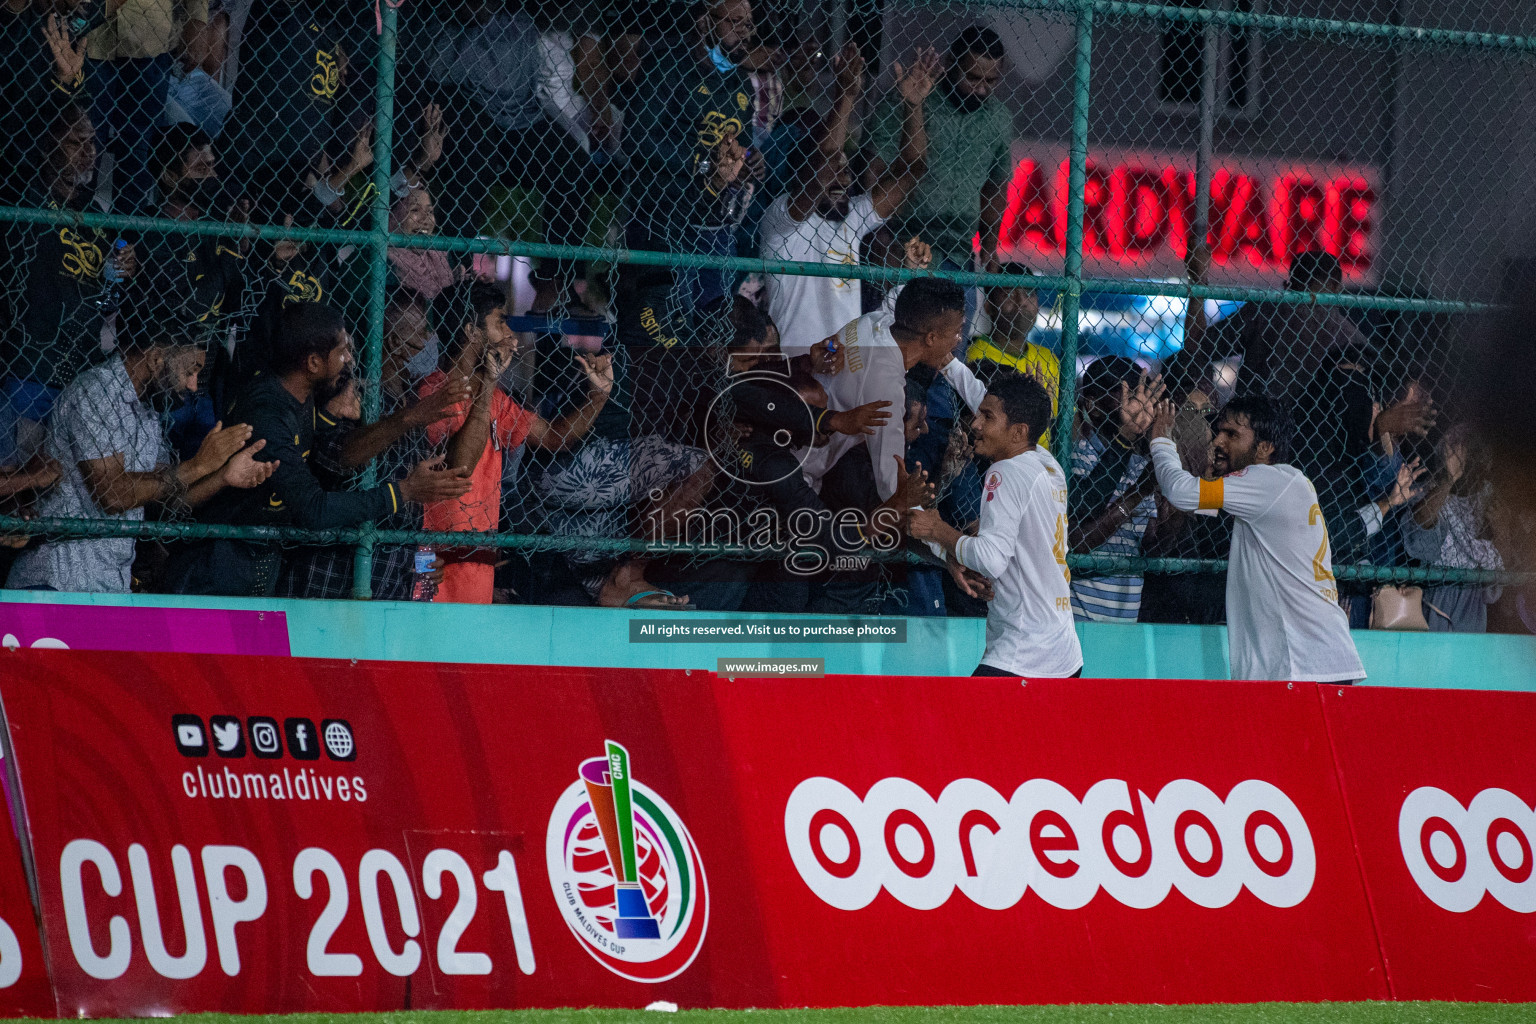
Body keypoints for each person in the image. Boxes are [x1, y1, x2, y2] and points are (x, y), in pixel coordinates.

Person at [164, 300, 474, 596]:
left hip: (253, 563)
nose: (349, 360)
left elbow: (306, 456)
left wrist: (326, 419)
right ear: (313, 362)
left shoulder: (302, 396)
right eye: (341, 352)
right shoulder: (266, 413)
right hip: (215, 571)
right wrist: (403, 491)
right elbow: (313, 508)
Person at [6, 321, 273, 593]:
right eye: (190, 371)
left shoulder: (148, 411)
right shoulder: (95, 392)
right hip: (58, 580)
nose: (193, 386)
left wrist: (222, 476)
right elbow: (113, 496)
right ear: (157, 358)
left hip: (111, 586)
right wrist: (198, 465)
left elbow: (168, 496)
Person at [1149, 393, 1366, 683]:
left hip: (1301, 667)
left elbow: (1181, 491)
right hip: (1309, 665)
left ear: (1264, 448)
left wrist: (1161, 440)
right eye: (1218, 432)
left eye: (1231, 434)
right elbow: (1201, 511)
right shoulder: (1283, 486)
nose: (1217, 442)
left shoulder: (1268, 481)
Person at [420, 283, 614, 604]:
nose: (511, 336)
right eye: (500, 323)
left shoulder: (494, 397)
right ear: (471, 331)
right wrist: (490, 382)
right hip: (432, 566)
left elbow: (554, 436)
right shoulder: (433, 393)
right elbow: (460, 469)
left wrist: (598, 396)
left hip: (475, 567)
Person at [276, 296, 472, 600]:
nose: (429, 341)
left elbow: (413, 507)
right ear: (394, 340)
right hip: (334, 578)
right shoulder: (352, 389)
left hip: (390, 579)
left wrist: (424, 559)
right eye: (421, 332)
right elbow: (337, 457)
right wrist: (409, 418)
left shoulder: (410, 398)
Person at [758, 42, 935, 355]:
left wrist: (913, 106)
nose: (843, 178)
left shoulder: (850, 217)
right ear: (801, 173)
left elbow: (911, 171)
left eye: (846, 170)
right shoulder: (782, 219)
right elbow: (823, 165)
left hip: (844, 375)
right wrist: (846, 95)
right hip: (795, 371)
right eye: (834, 170)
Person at [907, 372, 1083, 678]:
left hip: (1023, 654)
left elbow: (989, 559)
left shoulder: (1005, 472)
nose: (975, 425)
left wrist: (938, 530)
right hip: (1063, 653)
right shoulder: (1046, 463)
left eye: (986, 417)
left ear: (1018, 433)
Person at [2, 104, 136, 468]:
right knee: (20, 482)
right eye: (76, 142)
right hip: (28, 369)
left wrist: (122, 271)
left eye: (92, 142)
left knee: (64, 482)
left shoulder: (97, 214)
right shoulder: (25, 195)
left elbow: (107, 304)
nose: (89, 152)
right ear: (47, 146)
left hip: (78, 372)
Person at [864, 26, 1015, 332]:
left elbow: (995, 185)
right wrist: (874, 230)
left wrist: (988, 246)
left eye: (991, 81)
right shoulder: (912, 98)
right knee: (895, 342)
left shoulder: (999, 118)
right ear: (952, 64)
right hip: (903, 244)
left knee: (948, 354)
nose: (982, 89)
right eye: (973, 78)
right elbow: (875, 165)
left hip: (958, 255)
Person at [623, 0, 759, 313]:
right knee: (661, 322)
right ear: (704, 23)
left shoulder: (741, 84)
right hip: (661, 215)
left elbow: (743, 144)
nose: (745, 31)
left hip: (715, 223)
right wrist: (704, 162)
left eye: (749, 23)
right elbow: (636, 137)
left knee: (711, 323)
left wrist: (749, 160)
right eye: (735, 21)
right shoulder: (667, 65)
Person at [810, 277, 969, 503]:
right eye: (958, 331)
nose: (959, 340)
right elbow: (892, 488)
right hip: (798, 470)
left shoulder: (872, 321)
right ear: (931, 338)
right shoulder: (887, 390)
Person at [86, 0, 208, 213]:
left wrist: (196, 21)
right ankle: (76, 233)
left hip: (151, 38)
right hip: (91, 30)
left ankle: (128, 239)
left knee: (140, 150)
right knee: (84, 139)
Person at [1067, 359, 1165, 622]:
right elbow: (1078, 542)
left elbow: (1152, 546)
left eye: (1141, 396)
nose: (1137, 406)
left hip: (1125, 619)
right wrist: (1136, 495)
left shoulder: (1139, 463)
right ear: (1093, 405)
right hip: (1081, 617)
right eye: (1127, 396)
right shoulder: (1080, 457)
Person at [1401, 425, 1506, 633]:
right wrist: (1449, 479)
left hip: (1473, 599)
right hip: (1438, 593)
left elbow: (1498, 572)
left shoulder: (1488, 497)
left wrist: (1503, 533)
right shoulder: (1432, 490)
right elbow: (1421, 526)